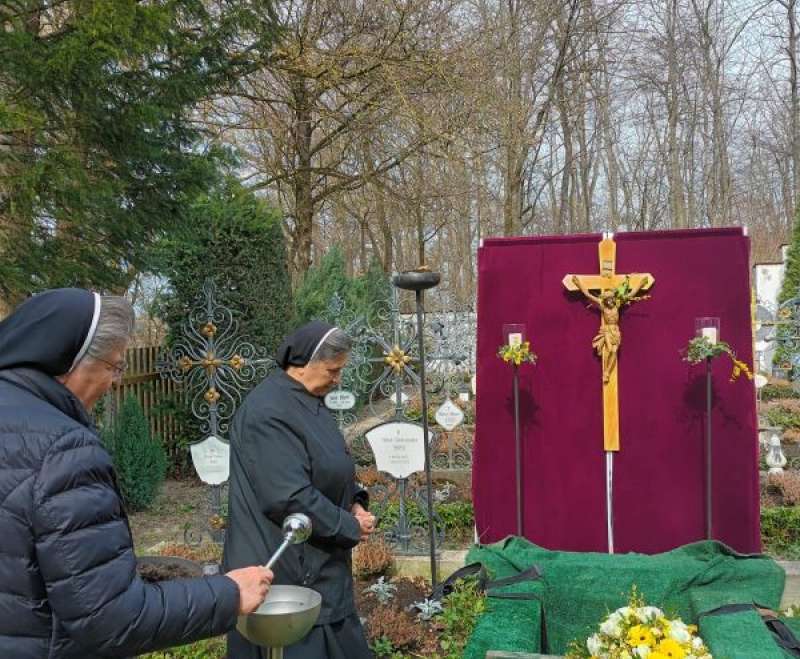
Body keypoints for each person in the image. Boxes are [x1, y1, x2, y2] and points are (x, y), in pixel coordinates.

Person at [0, 288, 274, 658]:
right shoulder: (62, 449)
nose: (114, 382)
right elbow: (109, 618)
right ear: (70, 359)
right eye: (114, 366)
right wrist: (228, 594)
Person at [224, 321, 376, 659]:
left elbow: (328, 465)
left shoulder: (307, 399)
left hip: (320, 566)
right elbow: (288, 496)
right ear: (303, 363)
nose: (337, 379)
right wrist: (348, 526)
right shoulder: (268, 412)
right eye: (332, 370)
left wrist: (354, 502)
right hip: (286, 574)